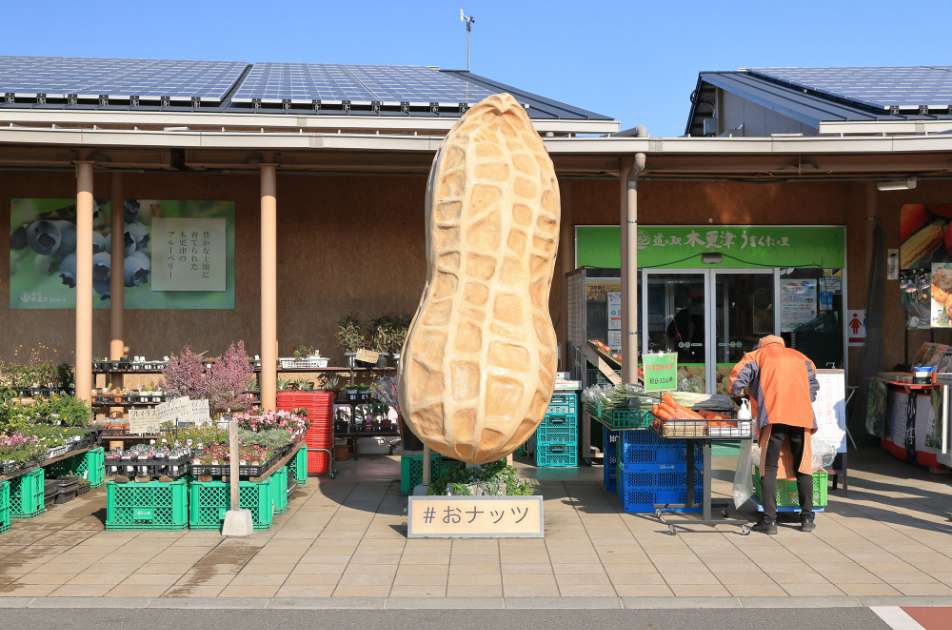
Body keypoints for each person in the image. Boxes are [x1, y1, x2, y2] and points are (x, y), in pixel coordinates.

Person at [728, 335, 819, 535]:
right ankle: (807, 519)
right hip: (802, 416)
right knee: (803, 466)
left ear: (762, 344)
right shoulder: (801, 357)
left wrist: (739, 395)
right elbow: (813, 387)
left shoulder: (757, 356)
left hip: (774, 415)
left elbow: (736, 379)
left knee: (768, 468)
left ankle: (769, 521)